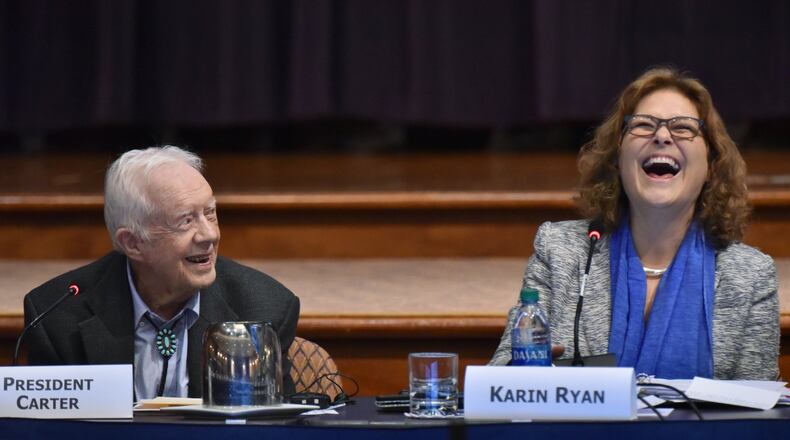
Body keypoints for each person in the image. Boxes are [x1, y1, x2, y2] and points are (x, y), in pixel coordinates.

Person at [490, 68, 779, 380]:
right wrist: (525, 372)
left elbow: (759, 409)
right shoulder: (560, 251)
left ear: (711, 164)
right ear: (617, 159)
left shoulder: (750, 275)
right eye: (643, 125)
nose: (662, 136)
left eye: (683, 128)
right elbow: (502, 375)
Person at [23, 146, 301, 398]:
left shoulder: (264, 308)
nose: (209, 234)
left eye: (210, 213)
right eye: (185, 220)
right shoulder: (57, 317)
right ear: (132, 243)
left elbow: (275, 429)